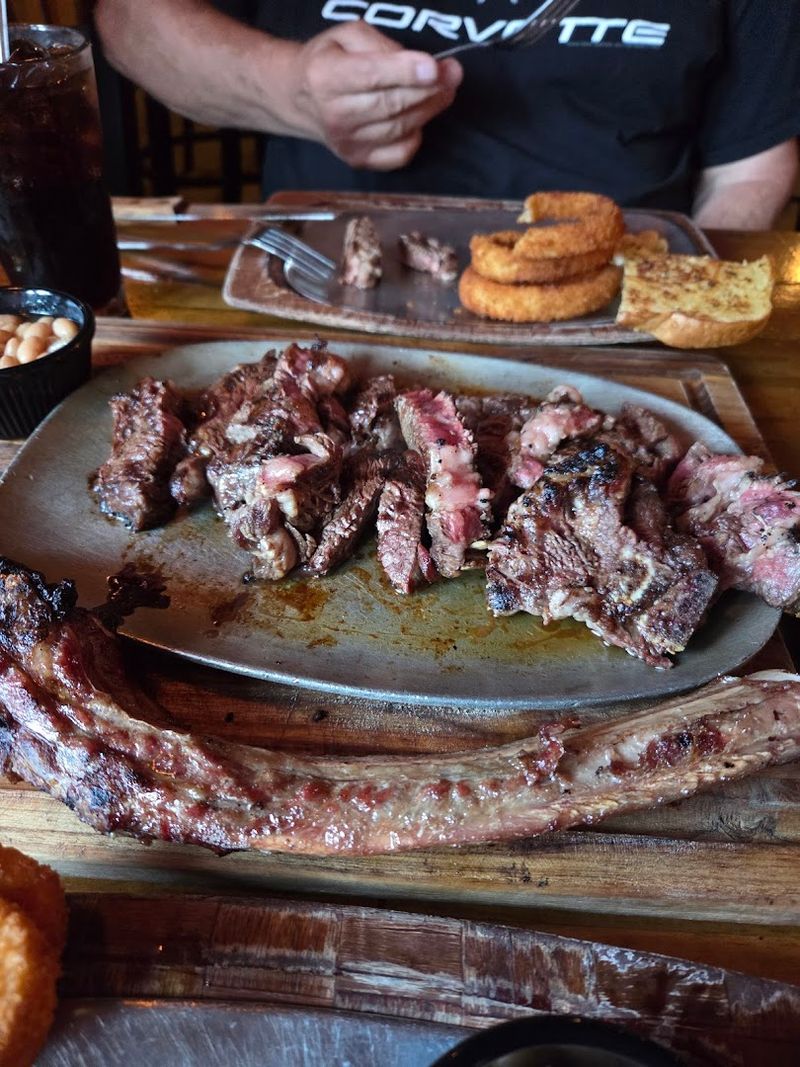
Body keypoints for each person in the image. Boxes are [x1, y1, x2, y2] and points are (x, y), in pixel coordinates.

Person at [95, 0, 800, 228]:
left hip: (622, 316)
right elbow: (129, 18)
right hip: (322, 300)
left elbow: (750, 170)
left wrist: (676, 309)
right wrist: (291, 88)